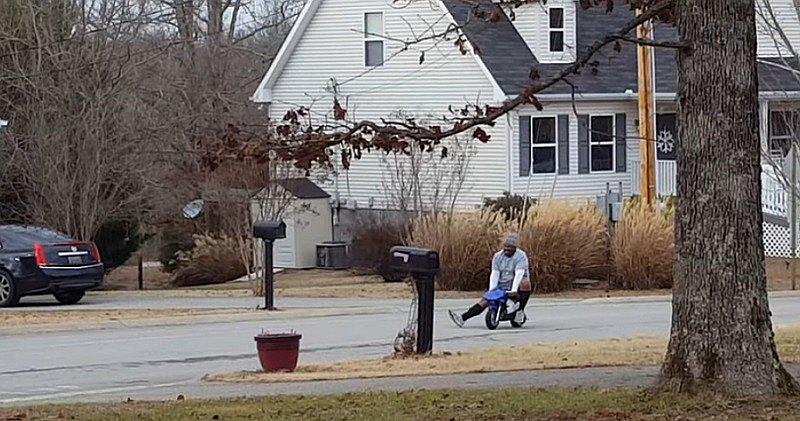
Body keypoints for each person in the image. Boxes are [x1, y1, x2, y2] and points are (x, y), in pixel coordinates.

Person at [448, 233, 532, 327]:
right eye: (505, 246)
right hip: (502, 283)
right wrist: (492, 289)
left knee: (525, 283)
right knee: (485, 301)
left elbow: (519, 274)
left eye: (510, 247)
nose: (507, 249)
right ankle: (462, 318)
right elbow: (495, 273)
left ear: (515, 247)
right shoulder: (497, 256)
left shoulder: (521, 256)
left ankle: (520, 311)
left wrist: (513, 290)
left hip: (516, 285)